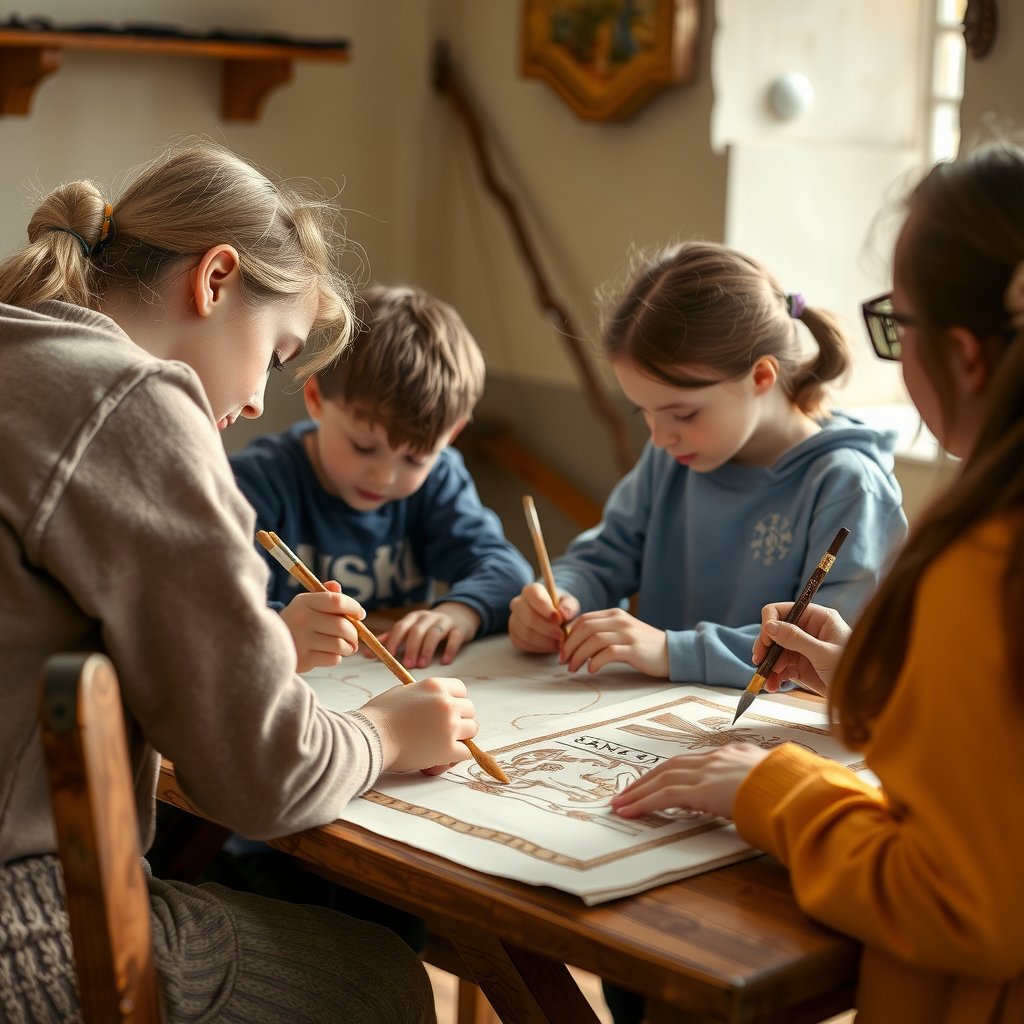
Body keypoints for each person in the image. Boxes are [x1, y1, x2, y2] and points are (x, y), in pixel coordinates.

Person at [0, 141, 477, 1023]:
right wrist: (384, 732)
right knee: (384, 980)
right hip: (32, 936)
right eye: (277, 349)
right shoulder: (132, 400)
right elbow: (260, 777)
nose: (260, 402)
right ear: (215, 279)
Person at [612, 146, 1024, 1023]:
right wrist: (882, 695)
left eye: (896, 328)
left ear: (964, 354)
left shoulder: (988, 563)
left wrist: (768, 790)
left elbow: (966, 903)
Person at [508, 241, 908, 687]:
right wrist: (561, 595)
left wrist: (669, 650)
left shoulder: (849, 487)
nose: (659, 437)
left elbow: (825, 654)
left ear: (761, 376)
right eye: (645, 411)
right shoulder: (672, 456)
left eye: (682, 414)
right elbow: (605, 555)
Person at [230, 284, 533, 673]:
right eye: (362, 446)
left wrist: (460, 612)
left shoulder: (440, 477)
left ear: (451, 436)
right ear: (317, 400)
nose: (384, 475)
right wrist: (278, 630)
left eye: (414, 457)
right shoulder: (255, 484)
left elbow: (507, 571)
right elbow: (219, 602)